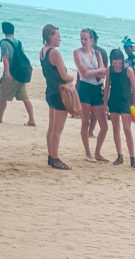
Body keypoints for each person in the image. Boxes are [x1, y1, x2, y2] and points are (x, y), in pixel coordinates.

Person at [39, 24, 74, 170]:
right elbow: (64, 75)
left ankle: (51, 155)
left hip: (50, 91)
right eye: (57, 36)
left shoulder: (43, 51)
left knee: (51, 127)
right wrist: (73, 77)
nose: (60, 39)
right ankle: (55, 158)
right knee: (57, 129)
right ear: (50, 37)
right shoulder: (55, 53)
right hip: (59, 92)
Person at [73, 28, 108, 162]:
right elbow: (84, 74)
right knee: (85, 122)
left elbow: (103, 72)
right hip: (85, 88)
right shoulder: (77, 52)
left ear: (92, 40)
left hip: (97, 88)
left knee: (104, 125)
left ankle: (98, 152)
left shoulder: (97, 53)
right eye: (81, 38)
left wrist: (95, 71)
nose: (83, 41)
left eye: (86, 39)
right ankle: (88, 153)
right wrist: (98, 71)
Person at [104, 48, 135, 168]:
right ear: (112, 61)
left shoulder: (128, 70)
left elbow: (134, 89)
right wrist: (104, 104)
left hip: (126, 102)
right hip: (113, 101)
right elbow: (107, 87)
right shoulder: (109, 70)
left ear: (122, 61)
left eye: (119, 63)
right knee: (115, 128)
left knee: (127, 129)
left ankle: (132, 157)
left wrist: (134, 106)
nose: (117, 65)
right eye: (115, 63)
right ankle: (120, 155)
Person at [0, 22, 36, 127]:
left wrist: (6, 73)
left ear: (3, 30)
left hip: (12, 74)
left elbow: (6, 59)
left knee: (2, 97)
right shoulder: (18, 42)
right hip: (21, 75)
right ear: (13, 30)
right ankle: (32, 120)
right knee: (25, 98)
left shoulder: (4, 43)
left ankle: (0, 118)